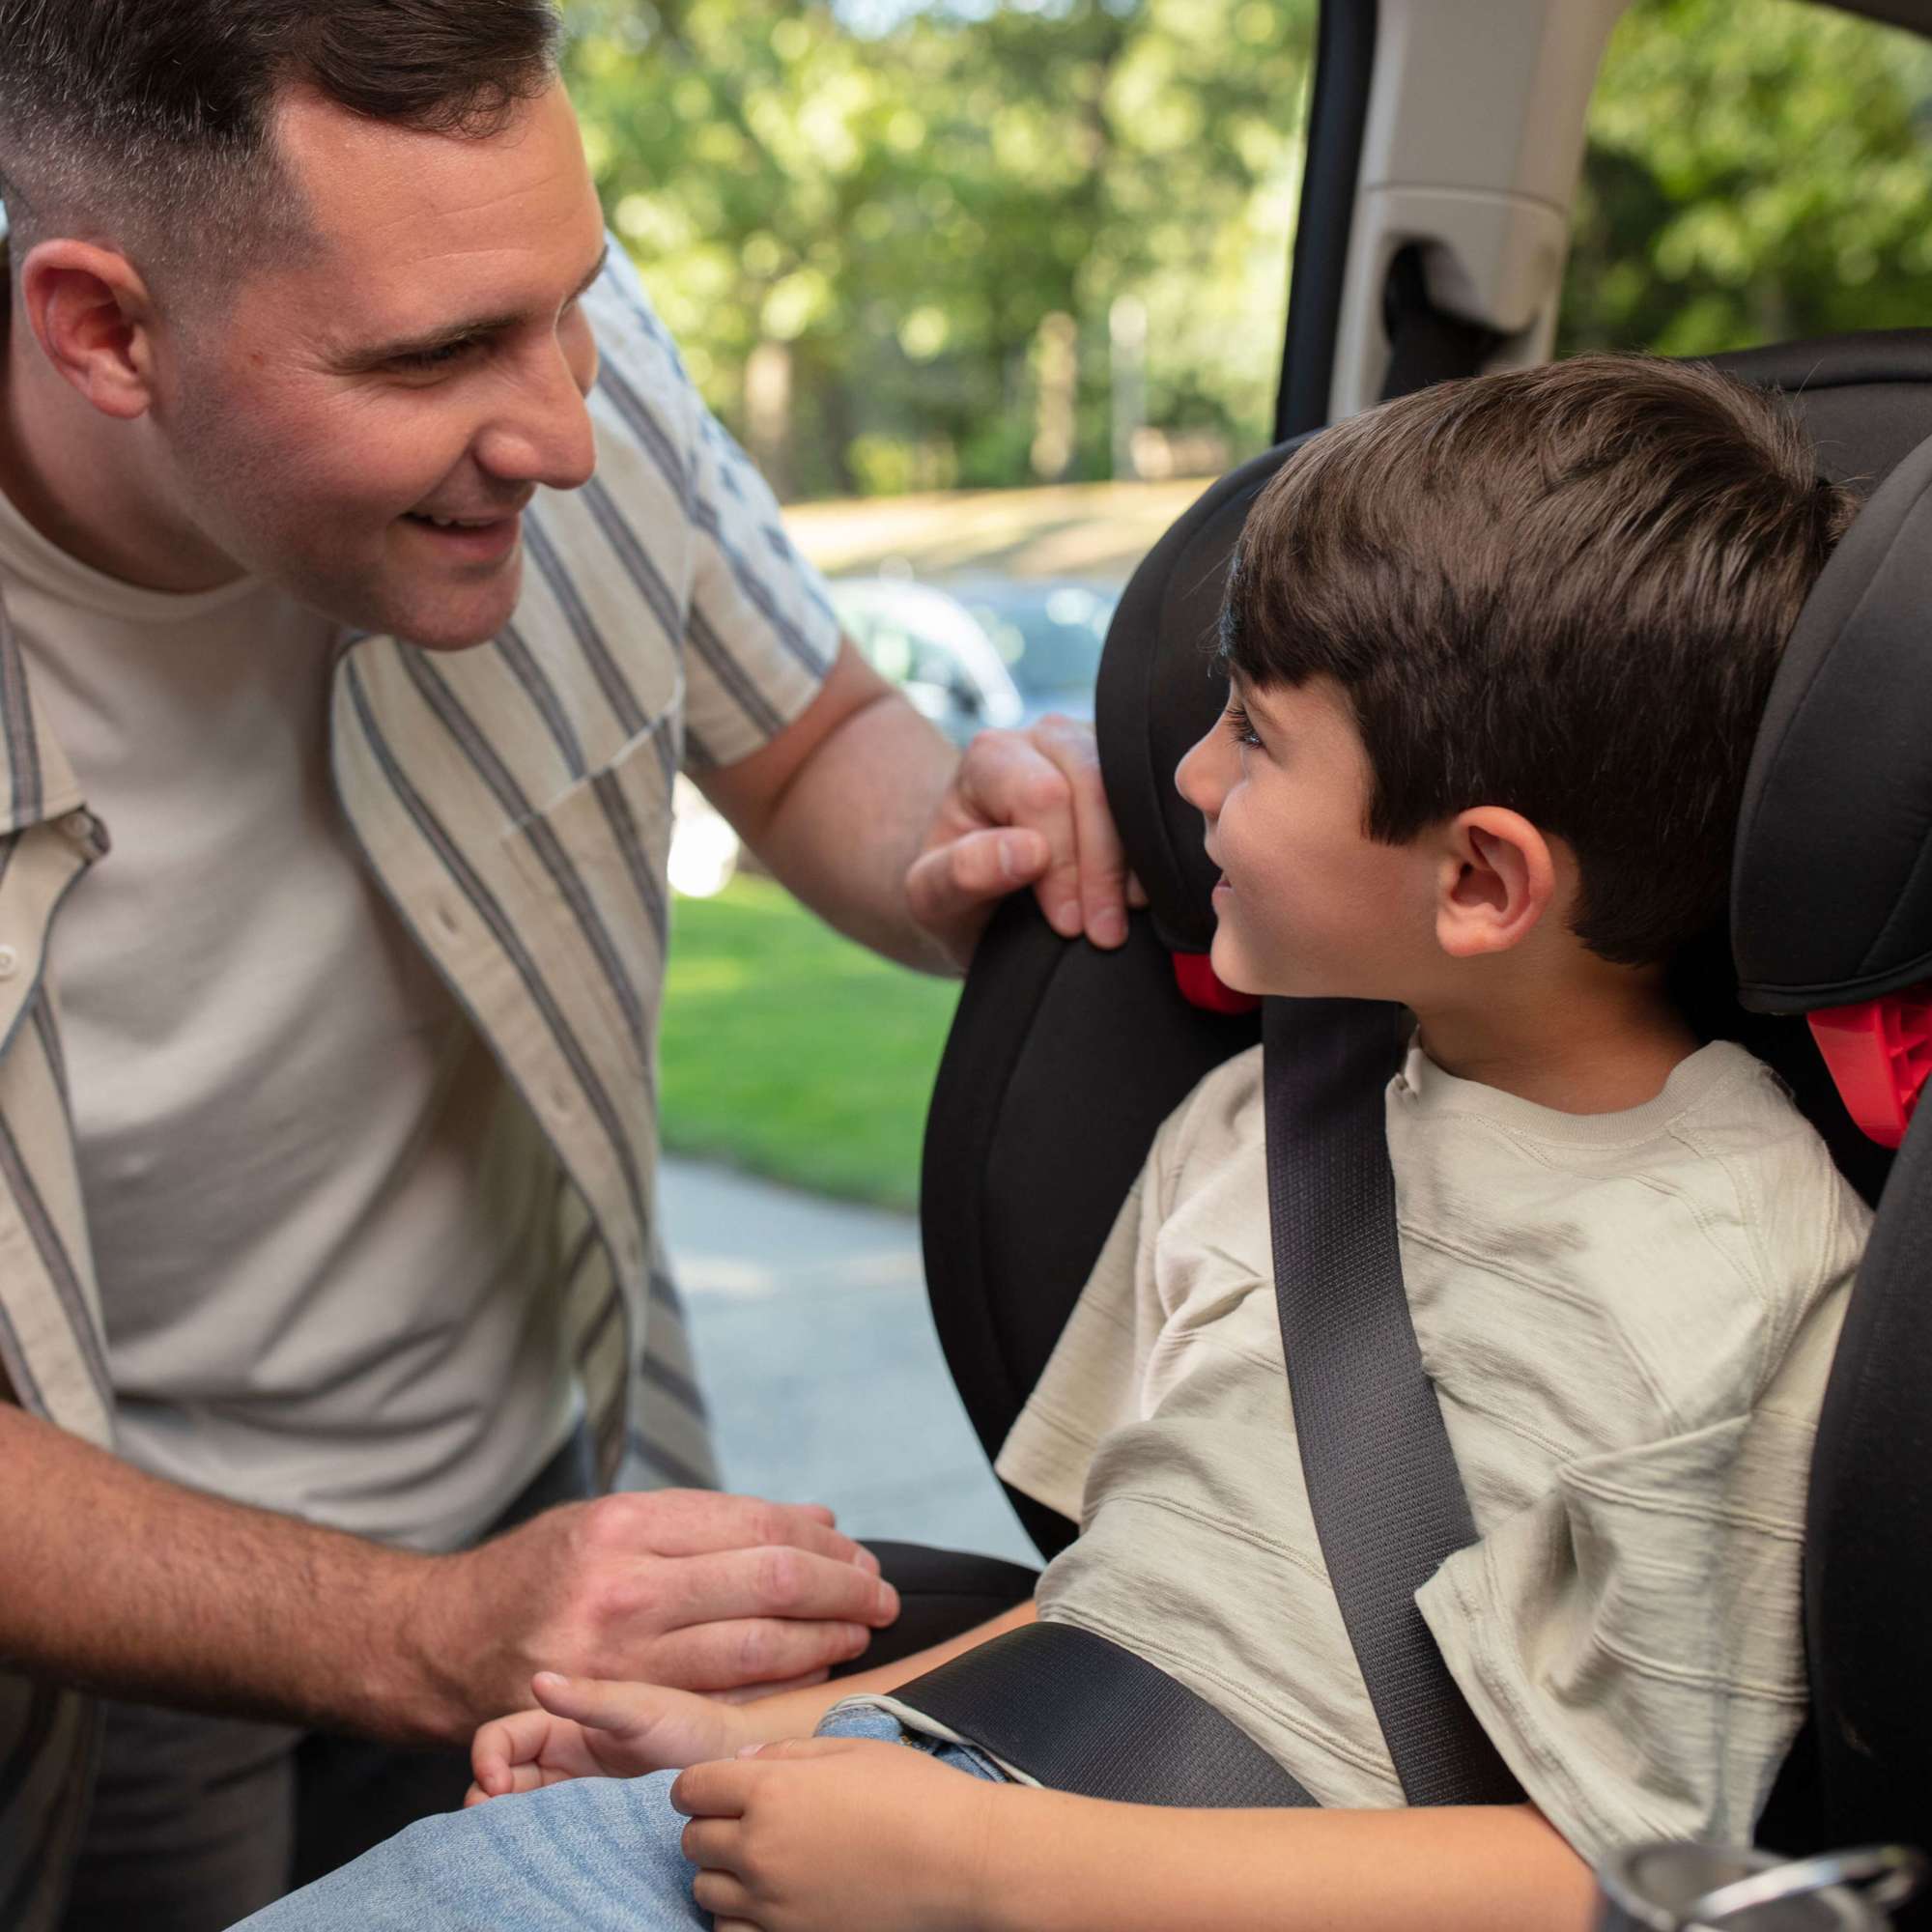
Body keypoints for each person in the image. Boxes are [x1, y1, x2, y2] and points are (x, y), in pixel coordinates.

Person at [236, 352, 1874, 1932]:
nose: (1182, 773)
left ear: (1478, 882)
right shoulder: (1258, 1132)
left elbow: (1630, 1882)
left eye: (1253, 734)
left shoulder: (1745, 1260)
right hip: (927, 1809)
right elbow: (1111, 1624)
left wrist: (987, 1873)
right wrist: (750, 1742)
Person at [0, 4, 1138, 1927]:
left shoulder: (574, 387)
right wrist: (411, 1632)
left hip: (553, 1521)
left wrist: (975, 828)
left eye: (575, 296)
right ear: (104, 329)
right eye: (436, 353)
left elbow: (811, 739)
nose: (566, 429)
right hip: (106, 1661)